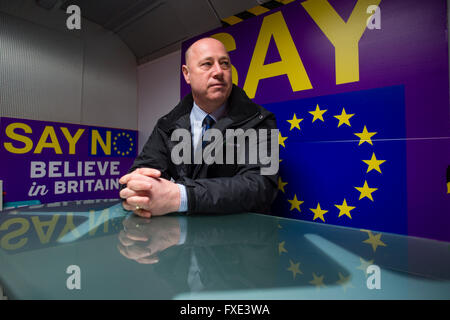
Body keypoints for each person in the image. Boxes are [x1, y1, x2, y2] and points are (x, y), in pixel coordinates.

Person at [119, 37, 278, 217]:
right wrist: (137, 190)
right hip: (183, 235)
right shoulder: (167, 125)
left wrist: (182, 196)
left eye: (224, 63)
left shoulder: (260, 120)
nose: (219, 71)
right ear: (187, 74)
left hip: (240, 236)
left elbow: (262, 186)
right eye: (207, 64)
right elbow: (139, 172)